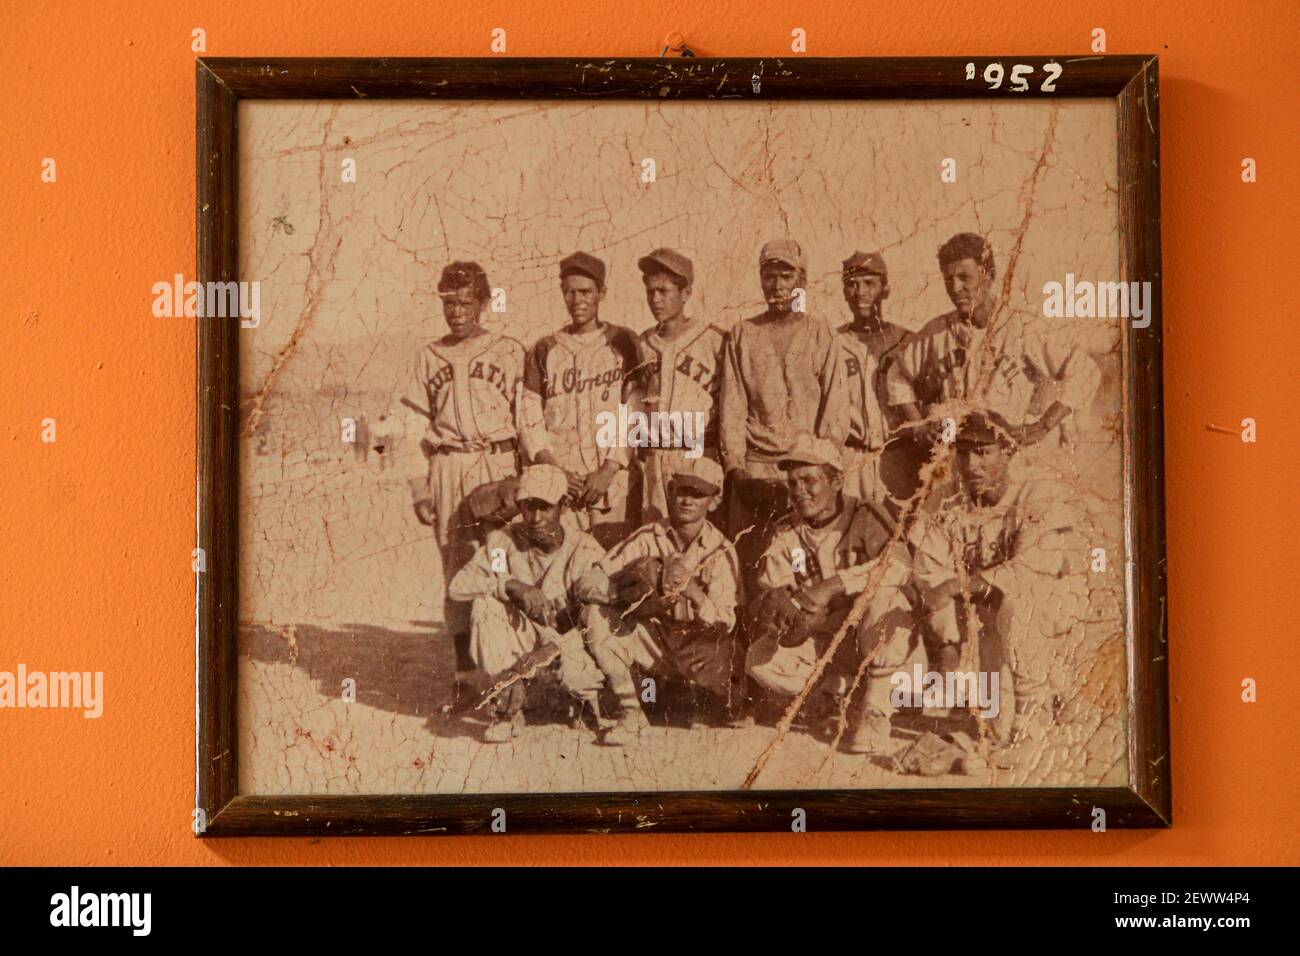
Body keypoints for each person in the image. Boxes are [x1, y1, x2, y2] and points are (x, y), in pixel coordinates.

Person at [909, 412, 1091, 763]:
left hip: (1053, 618)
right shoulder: (947, 500)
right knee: (989, 729)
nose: (971, 464)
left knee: (1018, 598)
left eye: (984, 452)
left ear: (1007, 453)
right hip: (990, 622)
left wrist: (956, 585)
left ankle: (1037, 718)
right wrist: (945, 639)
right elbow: (927, 572)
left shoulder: (1037, 491)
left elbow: (1030, 568)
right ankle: (1020, 706)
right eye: (963, 452)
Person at [400, 261, 527, 709]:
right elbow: (410, 425)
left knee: (502, 566)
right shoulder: (427, 356)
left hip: (497, 463)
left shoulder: (509, 351)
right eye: (449, 303)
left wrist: (527, 477)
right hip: (449, 467)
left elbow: (527, 417)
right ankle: (465, 676)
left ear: (485, 303)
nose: (456, 312)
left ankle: (512, 675)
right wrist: (419, 488)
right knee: (456, 574)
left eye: (466, 303)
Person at [884, 232, 1099, 494]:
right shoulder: (936, 332)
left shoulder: (1022, 327)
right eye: (948, 279)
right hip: (957, 461)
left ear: (989, 276)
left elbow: (1086, 370)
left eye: (965, 278)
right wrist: (918, 424)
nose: (955, 288)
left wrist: (1044, 425)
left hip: (1008, 459)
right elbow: (897, 376)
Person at [743, 436, 917, 754]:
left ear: (836, 480)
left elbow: (901, 568)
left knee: (888, 595)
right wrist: (781, 613)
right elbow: (773, 585)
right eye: (792, 482)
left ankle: (876, 710)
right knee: (758, 660)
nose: (799, 491)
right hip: (826, 638)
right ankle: (830, 696)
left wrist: (835, 584)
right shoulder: (785, 531)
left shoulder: (867, 513)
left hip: (874, 634)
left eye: (809, 480)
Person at [575, 456, 740, 744]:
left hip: (696, 646)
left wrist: (694, 593)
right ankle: (631, 711)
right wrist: (622, 592)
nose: (687, 500)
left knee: (719, 663)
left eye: (698, 493)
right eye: (681, 490)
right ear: (671, 491)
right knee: (595, 616)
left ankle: (703, 703)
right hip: (653, 641)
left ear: (714, 501)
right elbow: (588, 582)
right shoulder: (646, 537)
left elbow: (727, 621)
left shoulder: (721, 549)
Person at [446, 465, 609, 744]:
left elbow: (596, 619)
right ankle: (508, 710)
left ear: (564, 505)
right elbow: (459, 586)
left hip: (568, 643)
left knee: (581, 673)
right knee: (486, 606)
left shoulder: (584, 549)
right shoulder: (504, 541)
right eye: (527, 507)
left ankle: (581, 703)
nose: (535, 518)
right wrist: (509, 584)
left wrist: (551, 648)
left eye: (545, 508)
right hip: (524, 641)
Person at [719, 239, 848, 586]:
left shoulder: (820, 332)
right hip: (755, 470)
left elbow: (835, 409)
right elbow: (732, 409)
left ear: (801, 281)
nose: (777, 286)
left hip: (806, 471)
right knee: (749, 567)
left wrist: (816, 469)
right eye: (769, 276)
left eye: (785, 277)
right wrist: (738, 472)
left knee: (802, 567)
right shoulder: (742, 334)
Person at [519, 251, 640, 548]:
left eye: (586, 291)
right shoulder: (545, 348)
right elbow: (529, 417)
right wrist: (553, 468)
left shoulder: (623, 342)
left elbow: (634, 411)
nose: (578, 300)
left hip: (611, 480)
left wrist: (610, 469)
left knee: (613, 563)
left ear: (602, 292)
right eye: (569, 292)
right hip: (562, 478)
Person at [630, 248, 727, 527]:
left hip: (698, 453)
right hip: (655, 457)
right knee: (655, 532)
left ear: (685, 293)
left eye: (664, 291)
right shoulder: (643, 343)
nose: (655, 299)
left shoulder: (714, 340)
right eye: (650, 292)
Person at [835, 250, 908, 506]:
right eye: (852, 285)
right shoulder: (833, 343)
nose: (861, 293)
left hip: (897, 455)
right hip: (851, 455)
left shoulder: (908, 341)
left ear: (885, 289)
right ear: (844, 292)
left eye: (870, 284)